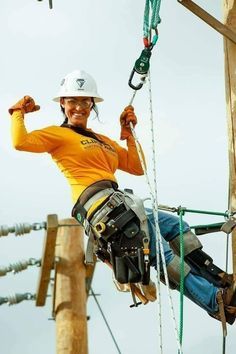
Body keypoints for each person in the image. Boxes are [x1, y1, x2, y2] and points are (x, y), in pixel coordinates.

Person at [9, 69, 236, 332]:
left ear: (92, 104)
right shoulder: (58, 136)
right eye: (72, 101)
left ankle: (218, 280)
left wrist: (127, 135)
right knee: (159, 251)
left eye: (85, 101)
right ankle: (214, 300)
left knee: (176, 226)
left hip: (124, 203)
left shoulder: (103, 141)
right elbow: (20, 142)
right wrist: (17, 112)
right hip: (101, 207)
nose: (79, 107)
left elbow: (136, 166)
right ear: (63, 104)